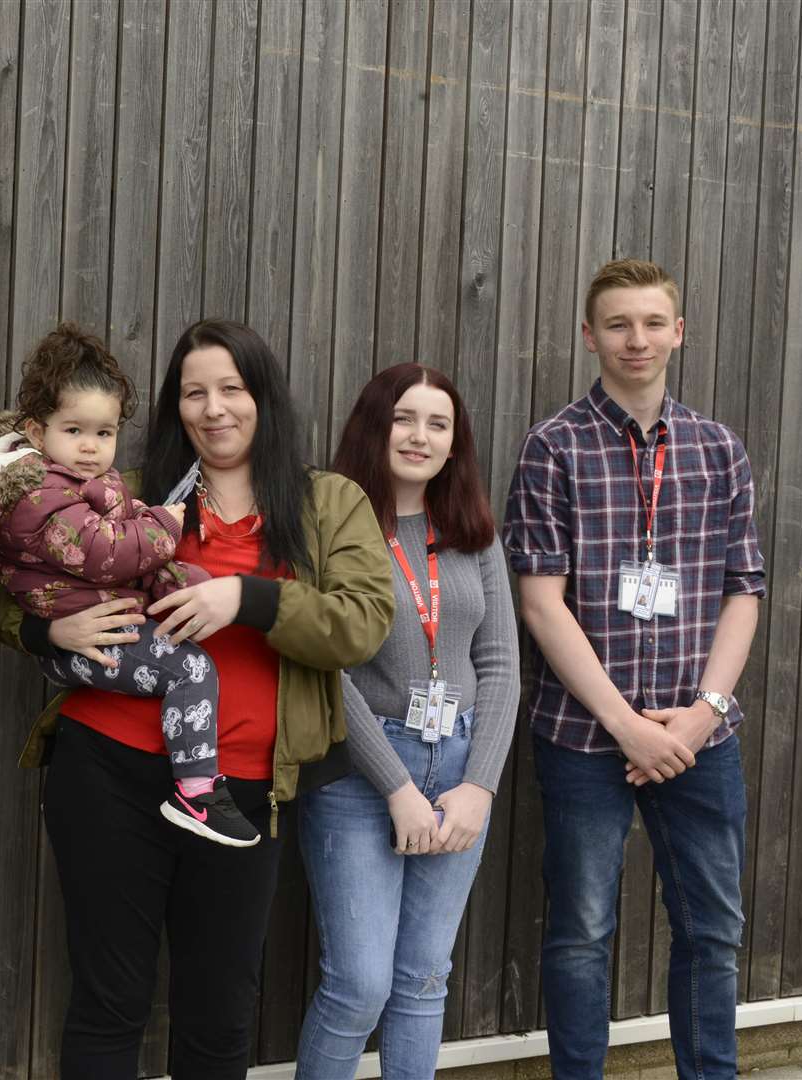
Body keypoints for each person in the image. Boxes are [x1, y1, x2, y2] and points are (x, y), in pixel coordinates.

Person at [0, 318, 395, 1078]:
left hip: (240, 791)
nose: (214, 409)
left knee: (219, 1010)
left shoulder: (328, 502)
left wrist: (248, 598)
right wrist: (57, 633)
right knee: (109, 999)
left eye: (231, 389)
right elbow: (15, 601)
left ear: (264, 397)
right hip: (106, 768)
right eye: (193, 393)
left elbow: (363, 624)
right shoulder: (122, 490)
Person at [505, 258, 763, 1079]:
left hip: (699, 737)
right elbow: (541, 603)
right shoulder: (553, 448)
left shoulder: (719, 451)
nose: (637, 339)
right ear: (590, 336)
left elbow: (744, 592)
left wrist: (703, 712)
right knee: (582, 932)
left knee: (714, 929)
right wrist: (625, 726)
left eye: (653, 323)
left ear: (678, 332)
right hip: (585, 738)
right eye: (618, 324)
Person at [0, 322, 258, 846]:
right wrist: (165, 526)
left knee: (188, 628)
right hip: (73, 645)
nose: (89, 447)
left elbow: (124, 546)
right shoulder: (38, 495)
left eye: (103, 434)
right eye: (74, 431)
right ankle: (196, 793)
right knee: (192, 669)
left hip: (103, 623)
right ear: (38, 434)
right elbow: (105, 553)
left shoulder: (84, 484)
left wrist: (177, 578)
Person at [295, 363, 520, 1078]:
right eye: (404, 418)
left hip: (456, 767)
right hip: (360, 776)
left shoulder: (473, 533)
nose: (420, 436)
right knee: (360, 985)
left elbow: (501, 666)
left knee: (424, 979)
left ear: (456, 443)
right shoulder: (326, 521)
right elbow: (322, 665)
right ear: (374, 425)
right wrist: (396, 785)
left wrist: (480, 786)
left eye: (438, 423)